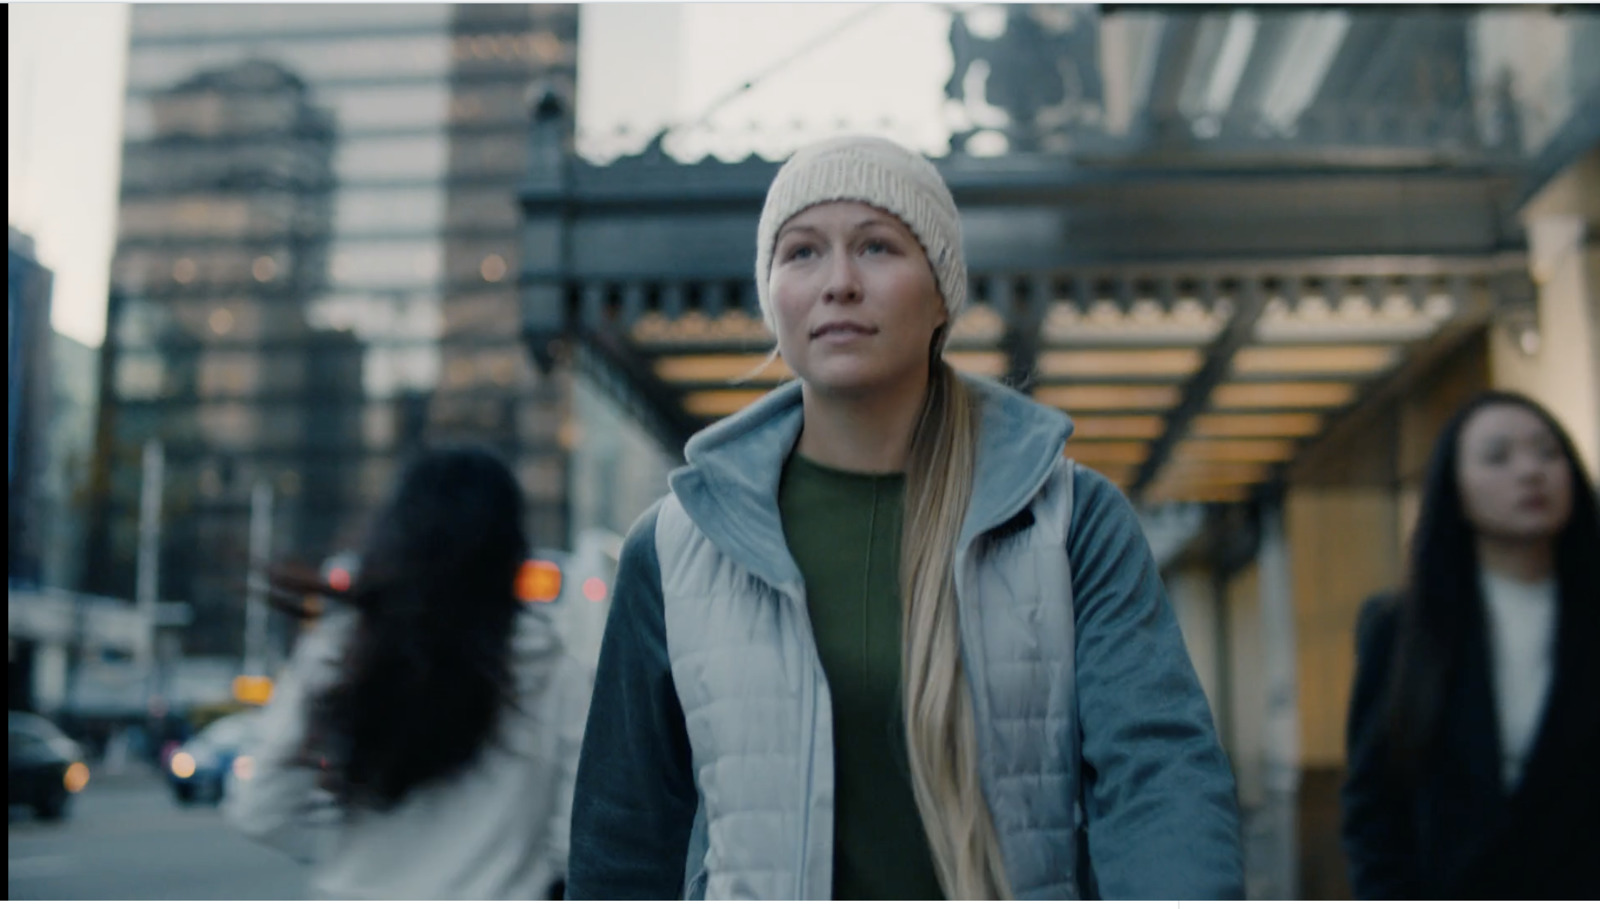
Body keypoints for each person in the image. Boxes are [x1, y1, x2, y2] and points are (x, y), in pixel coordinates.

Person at [566, 135, 1243, 900]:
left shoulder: (1070, 519)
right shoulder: (675, 545)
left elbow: (1159, 777)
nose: (839, 283)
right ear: (772, 294)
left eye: (878, 246)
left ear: (941, 291)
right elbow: (624, 844)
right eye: (802, 253)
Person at [224, 446, 589, 900]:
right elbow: (579, 838)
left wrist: (343, 858)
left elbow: (262, 807)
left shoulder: (342, 651)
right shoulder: (557, 676)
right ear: (510, 549)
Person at [1341, 391, 1600, 898]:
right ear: (1453, 487)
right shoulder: (1399, 630)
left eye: (1548, 452)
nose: (1531, 471)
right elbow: (1372, 807)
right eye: (1498, 456)